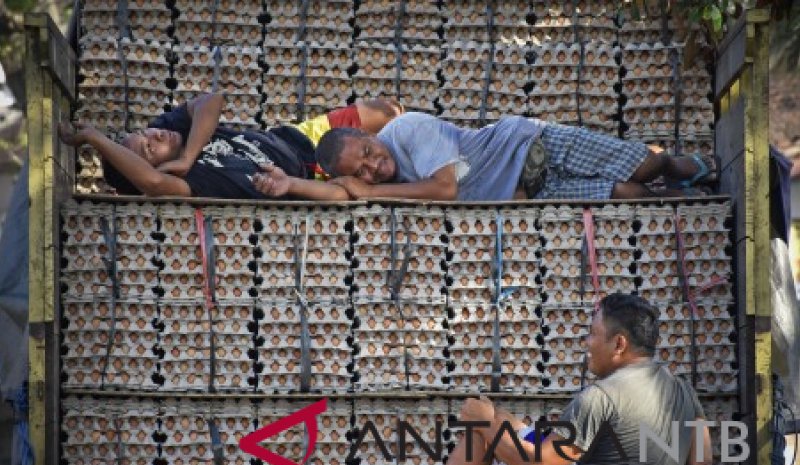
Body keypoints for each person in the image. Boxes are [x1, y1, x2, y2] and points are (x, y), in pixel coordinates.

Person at [408, 294, 746, 465]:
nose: (586, 343)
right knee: (513, 429)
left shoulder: (600, 397)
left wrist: (481, 419)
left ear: (619, 344)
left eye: (592, 334)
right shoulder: (682, 391)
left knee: (484, 432)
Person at [277, 111, 715, 201]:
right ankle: (689, 202)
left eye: (368, 152)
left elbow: (445, 187)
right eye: (363, 172)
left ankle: (688, 168)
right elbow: (336, 193)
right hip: (525, 188)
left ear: (365, 134)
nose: (374, 166)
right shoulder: (388, 185)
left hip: (530, 144)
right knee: (628, 195)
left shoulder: (407, 130)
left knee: (648, 164)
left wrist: (367, 193)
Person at [58, 92, 402, 199]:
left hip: (298, 137)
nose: (157, 136)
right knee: (377, 171)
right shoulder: (192, 182)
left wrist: (188, 153)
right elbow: (152, 183)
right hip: (308, 176)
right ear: (153, 167)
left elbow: (213, 100)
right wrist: (94, 138)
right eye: (149, 149)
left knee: (387, 113)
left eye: (147, 133)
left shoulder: (179, 136)